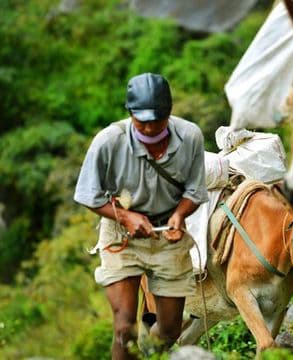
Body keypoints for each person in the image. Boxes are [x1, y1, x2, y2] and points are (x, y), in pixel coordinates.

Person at [74, 73, 208, 359]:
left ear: (169, 114)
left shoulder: (190, 137)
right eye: (141, 120)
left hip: (167, 238)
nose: (148, 127)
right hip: (121, 235)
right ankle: (129, 346)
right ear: (130, 113)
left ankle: (145, 352)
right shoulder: (109, 141)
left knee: (171, 329)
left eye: (156, 120)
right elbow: (87, 194)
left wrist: (179, 216)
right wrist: (125, 217)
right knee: (124, 327)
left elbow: (195, 191)